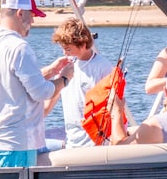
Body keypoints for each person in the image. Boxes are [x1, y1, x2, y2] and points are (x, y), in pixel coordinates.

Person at [0, 0, 74, 168]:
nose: (33, 21)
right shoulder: (19, 47)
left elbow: (12, 83)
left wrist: (50, 71)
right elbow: (41, 92)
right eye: (32, 15)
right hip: (16, 143)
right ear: (21, 14)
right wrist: (64, 79)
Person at [46, 17, 116, 149]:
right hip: (72, 141)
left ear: (83, 45)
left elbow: (113, 107)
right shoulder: (64, 66)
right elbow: (50, 100)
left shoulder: (103, 67)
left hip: (95, 143)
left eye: (67, 49)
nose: (64, 53)